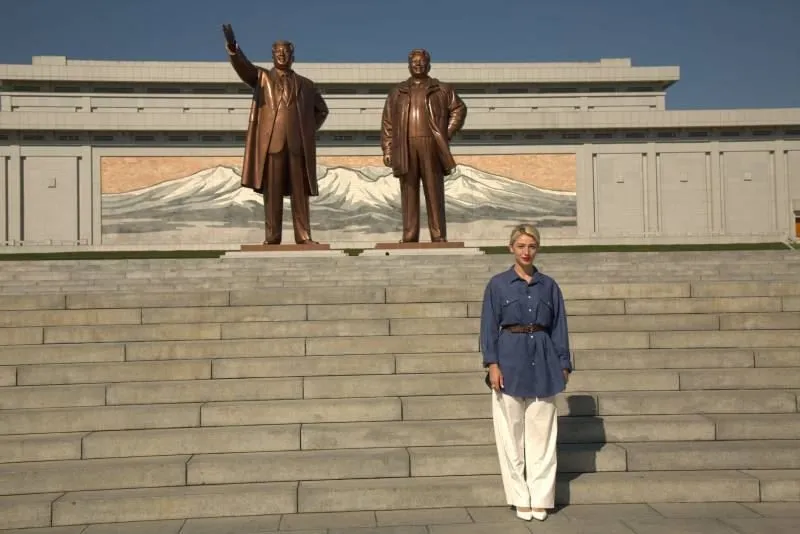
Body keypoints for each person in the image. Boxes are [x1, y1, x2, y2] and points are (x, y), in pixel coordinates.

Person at [479, 224, 572, 522]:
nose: (526, 251)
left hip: (544, 363)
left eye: (531, 246)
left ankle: (541, 497)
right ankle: (520, 496)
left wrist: (563, 363)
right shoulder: (498, 285)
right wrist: (492, 363)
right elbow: (488, 327)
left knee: (542, 436)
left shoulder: (549, 286)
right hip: (509, 362)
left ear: (537, 249)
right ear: (511, 248)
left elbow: (559, 327)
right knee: (511, 435)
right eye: (520, 246)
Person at [222, 24, 329, 245]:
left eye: (285, 52)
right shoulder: (262, 78)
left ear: (293, 56)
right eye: (277, 52)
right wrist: (234, 48)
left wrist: (307, 130)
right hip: (272, 143)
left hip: (297, 145)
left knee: (300, 193)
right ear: (272, 55)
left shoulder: (306, 85)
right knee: (273, 193)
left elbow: (322, 110)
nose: (282, 55)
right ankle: (272, 236)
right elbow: (244, 68)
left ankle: (304, 235)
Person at [380, 48, 467, 243]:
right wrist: (387, 148)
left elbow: (458, 109)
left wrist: (446, 133)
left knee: (433, 189)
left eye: (422, 62)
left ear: (429, 65)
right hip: (405, 145)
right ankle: (410, 235)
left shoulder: (442, 89)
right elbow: (388, 122)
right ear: (409, 65)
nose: (418, 65)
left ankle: (438, 234)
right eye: (414, 62)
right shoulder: (397, 92)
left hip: (431, 144)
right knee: (408, 191)